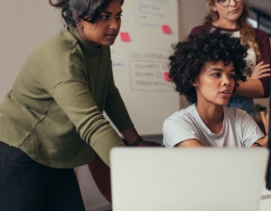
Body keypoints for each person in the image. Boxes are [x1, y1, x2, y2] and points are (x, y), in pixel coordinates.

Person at [0, 0, 158, 210]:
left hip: (55, 153)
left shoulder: (98, 46)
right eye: (104, 17)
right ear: (78, 17)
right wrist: (131, 171)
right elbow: (91, 123)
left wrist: (136, 142)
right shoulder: (62, 57)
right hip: (20, 149)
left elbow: (109, 94)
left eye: (117, 15)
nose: (115, 26)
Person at [163, 28, 269, 148]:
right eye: (216, 74)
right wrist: (261, 147)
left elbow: (259, 160)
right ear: (193, 79)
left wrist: (268, 142)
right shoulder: (177, 123)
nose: (227, 82)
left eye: (231, 76)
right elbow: (208, 163)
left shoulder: (241, 118)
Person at [190, 0, 271, 118]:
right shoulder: (200, 33)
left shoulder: (259, 36)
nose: (233, 3)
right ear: (213, 5)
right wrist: (248, 83)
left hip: (244, 110)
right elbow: (193, 80)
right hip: (207, 110)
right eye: (224, 0)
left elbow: (265, 88)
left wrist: (216, 84)